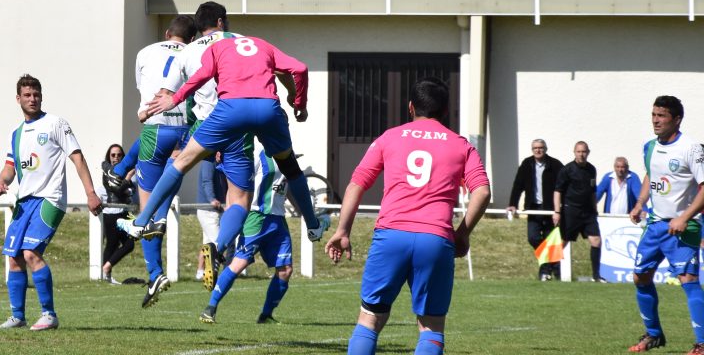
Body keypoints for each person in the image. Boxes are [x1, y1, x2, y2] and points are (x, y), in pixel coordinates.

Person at [130, 4, 323, 274]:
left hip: (219, 117)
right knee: (246, 194)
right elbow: (295, 70)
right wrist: (297, 102)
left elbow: (195, 79)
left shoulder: (195, 50)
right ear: (222, 22)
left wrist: (173, 98)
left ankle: (142, 220)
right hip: (263, 113)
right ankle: (311, 226)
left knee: (181, 162)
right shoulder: (251, 41)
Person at [325, 78, 491, 355]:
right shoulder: (461, 145)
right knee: (431, 326)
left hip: (391, 235)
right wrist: (462, 233)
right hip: (435, 239)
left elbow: (356, 184)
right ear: (446, 111)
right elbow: (482, 192)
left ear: (411, 107)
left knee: (370, 318)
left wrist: (343, 230)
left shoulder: (389, 137)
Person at [0, 74, 103, 330]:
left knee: (31, 253)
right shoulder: (15, 132)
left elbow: (77, 157)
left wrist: (90, 193)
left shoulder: (56, 124)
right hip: (25, 201)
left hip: (50, 198)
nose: (33, 99)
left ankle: (49, 314)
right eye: (28, 95)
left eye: (36, 95)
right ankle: (17, 316)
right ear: (18, 98)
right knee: (14, 258)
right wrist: (2, 180)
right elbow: (10, 166)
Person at [127, 15, 196, 306]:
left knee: (147, 207)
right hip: (186, 130)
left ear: (167, 33)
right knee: (162, 199)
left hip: (155, 127)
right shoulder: (195, 53)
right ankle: (159, 217)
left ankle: (154, 272)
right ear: (191, 39)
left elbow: (142, 89)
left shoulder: (146, 51)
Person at [627, 96, 704, 354]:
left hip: (685, 226)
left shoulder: (692, 149)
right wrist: (640, 202)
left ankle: (702, 344)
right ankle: (654, 335)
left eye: (662, 116)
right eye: (654, 115)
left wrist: (684, 217)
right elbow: (652, 173)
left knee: (688, 279)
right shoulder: (650, 147)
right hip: (655, 225)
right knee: (640, 277)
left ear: (676, 119)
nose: (656, 120)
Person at [200, 146, 293, 325]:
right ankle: (210, 308)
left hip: (278, 220)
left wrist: (303, 212)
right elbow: (236, 183)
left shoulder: (288, 155)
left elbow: (291, 186)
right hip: (256, 217)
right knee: (238, 263)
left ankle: (265, 316)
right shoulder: (257, 155)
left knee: (285, 270)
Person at [506, 138, 563, 280]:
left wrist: (559, 209)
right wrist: (513, 203)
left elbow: (563, 186)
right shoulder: (527, 164)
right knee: (533, 237)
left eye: (541, 148)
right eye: (535, 148)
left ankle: (546, 272)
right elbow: (518, 185)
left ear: (546, 149)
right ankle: (552, 267)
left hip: (550, 209)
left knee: (551, 239)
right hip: (533, 207)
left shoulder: (555, 165)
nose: (538, 150)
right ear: (532, 150)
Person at [553, 140, 601, 282]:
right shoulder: (567, 170)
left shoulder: (592, 169)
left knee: (596, 241)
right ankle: (549, 271)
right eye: (579, 151)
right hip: (570, 211)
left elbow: (593, 191)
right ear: (574, 152)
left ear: (588, 152)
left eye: (584, 151)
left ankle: (596, 276)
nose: (581, 154)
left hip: (588, 212)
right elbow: (557, 191)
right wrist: (557, 212)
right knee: (563, 242)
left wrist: (595, 208)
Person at [100, 143, 137, 284]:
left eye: (119, 155)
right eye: (113, 155)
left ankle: (106, 271)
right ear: (109, 157)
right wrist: (127, 178)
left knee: (127, 244)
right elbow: (118, 191)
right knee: (114, 244)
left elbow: (132, 191)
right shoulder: (108, 173)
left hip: (125, 212)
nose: (116, 157)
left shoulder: (128, 170)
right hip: (112, 212)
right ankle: (106, 272)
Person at [195, 153, 226, 282]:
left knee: (208, 243)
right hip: (207, 210)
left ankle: (200, 272)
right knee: (218, 243)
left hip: (216, 209)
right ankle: (227, 268)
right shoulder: (208, 162)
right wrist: (212, 199)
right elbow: (206, 181)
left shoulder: (222, 163)